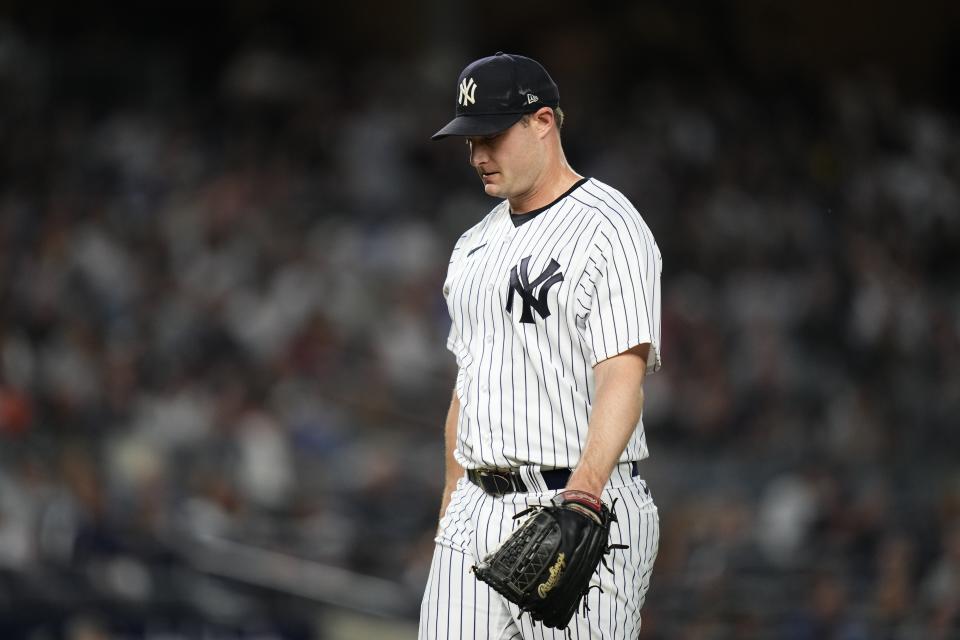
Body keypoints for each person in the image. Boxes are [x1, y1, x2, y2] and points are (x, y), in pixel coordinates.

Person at [420, 52, 662, 639]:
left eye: (493, 135)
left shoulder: (611, 227)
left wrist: (583, 495)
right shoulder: (473, 245)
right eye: (470, 138)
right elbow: (468, 388)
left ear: (543, 122)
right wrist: (453, 505)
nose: (478, 154)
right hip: (476, 506)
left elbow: (621, 378)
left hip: (577, 503)